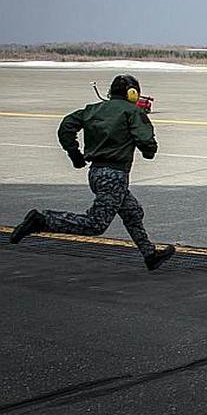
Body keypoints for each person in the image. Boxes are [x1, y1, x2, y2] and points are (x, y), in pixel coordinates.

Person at [9, 74, 175, 270]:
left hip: (96, 173)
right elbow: (147, 142)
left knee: (132, 212)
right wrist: (149, 150)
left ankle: (150, 255)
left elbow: (66, 126)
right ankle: (42, 219)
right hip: (114, 176)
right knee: (95, 224)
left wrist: (74, 154)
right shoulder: (132, 112)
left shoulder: (92, 109)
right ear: (132, 93)